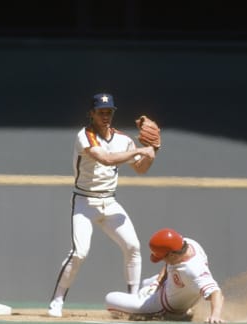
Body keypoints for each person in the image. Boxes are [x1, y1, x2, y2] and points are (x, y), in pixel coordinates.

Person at [48, 93, 157, 317]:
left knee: (133, 247)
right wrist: (139, 150)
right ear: (91, 114)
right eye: (101, 112)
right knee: (80, 253)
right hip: (84, 202)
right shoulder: (85, 136)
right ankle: (57, 300)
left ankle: (132, 302)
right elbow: (106, 158)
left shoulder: (123, 139)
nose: (105, 116)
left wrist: (153, 151)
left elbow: (140, 169)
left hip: (110, 201)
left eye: (109, 112)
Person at [105, 228, 224, 323]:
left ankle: (179, 314)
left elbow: (216, 292)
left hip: (163, 306)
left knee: (110, 298)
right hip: (169, 285)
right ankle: (151, 290)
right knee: (146, 283)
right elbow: (170, 266)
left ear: (172, 255)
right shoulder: (187, 243)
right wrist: (157, 282)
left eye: (163, 257)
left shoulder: (193, 270)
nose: (163, 260)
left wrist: (215, 315)